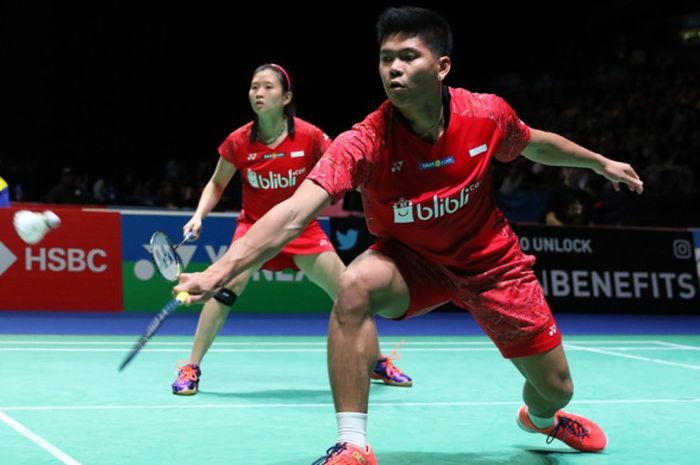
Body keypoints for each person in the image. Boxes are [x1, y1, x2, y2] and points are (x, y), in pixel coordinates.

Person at [174, 8, 644, 464]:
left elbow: (534, 142)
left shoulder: (485, 114)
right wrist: (218, 271)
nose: (393, 68)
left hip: (490, 263)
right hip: (411, 262)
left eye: (407, 57)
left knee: (557, 387)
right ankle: (352, 443)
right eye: (385, 58)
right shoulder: (365, 141)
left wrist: (599, 163)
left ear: (442, 66)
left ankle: (541, 418)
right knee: (353, 286)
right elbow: (294, 212)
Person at [170, 63, 412, 396]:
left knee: (350, 291)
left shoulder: (311, 137)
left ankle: (376, 362)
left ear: (286, 97)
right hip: (254, 230)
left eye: (267, 87)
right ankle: (191, 366)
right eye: (254, 86)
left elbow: (342, 167)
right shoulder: (239, 141)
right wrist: (199, 215)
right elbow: (216, 183)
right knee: (225, 290)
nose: (258, 93)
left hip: (301, 230)